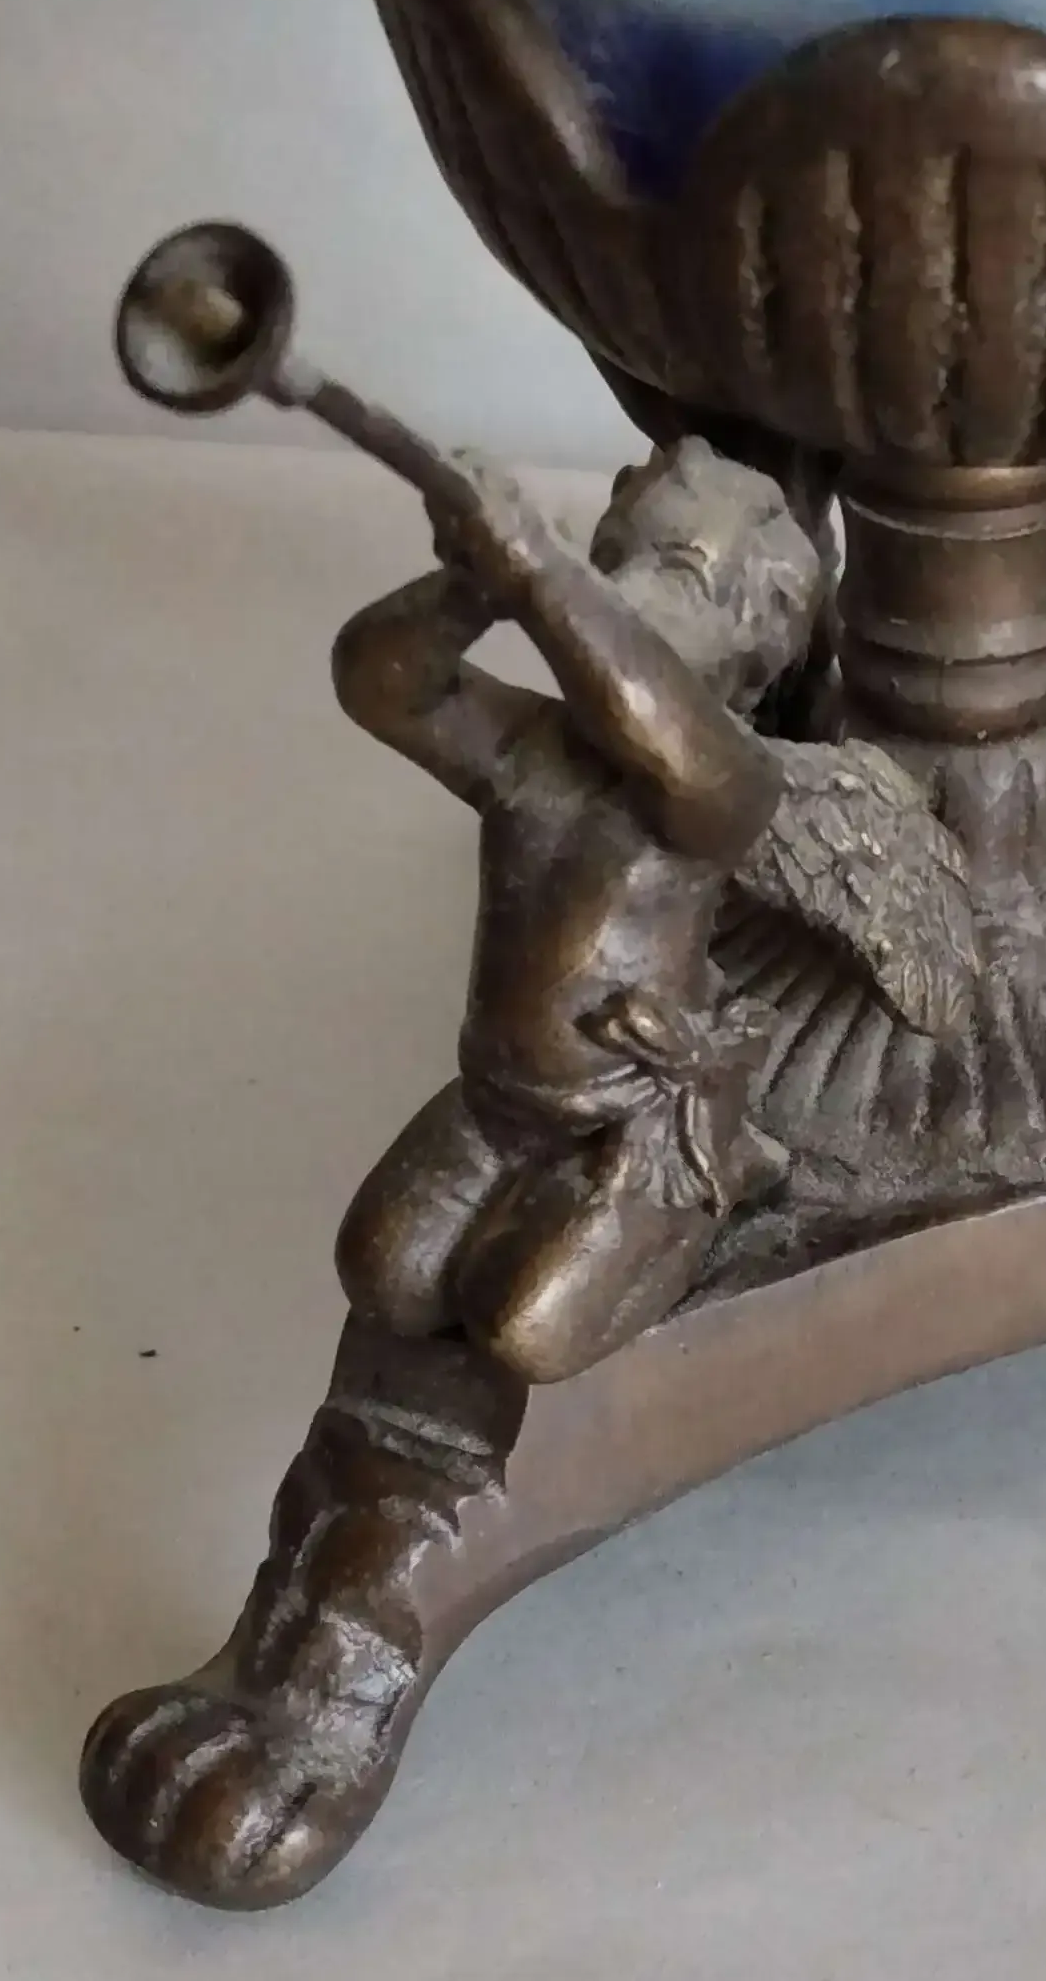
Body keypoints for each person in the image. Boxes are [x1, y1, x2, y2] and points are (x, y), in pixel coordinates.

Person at [328, 440, 817, 1383]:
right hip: (498, 1101)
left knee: (521, 1331)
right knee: (385, 1274)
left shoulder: (727, 783)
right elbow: (378, 681)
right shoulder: (527, 749)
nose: (624, 591)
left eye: (679, 574)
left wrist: (545, 576)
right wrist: (474, 585)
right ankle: (532, 1202)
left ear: (758, 637)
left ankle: (693, 1198)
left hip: (628, 1125)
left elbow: (657, 722)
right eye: (617, 557)